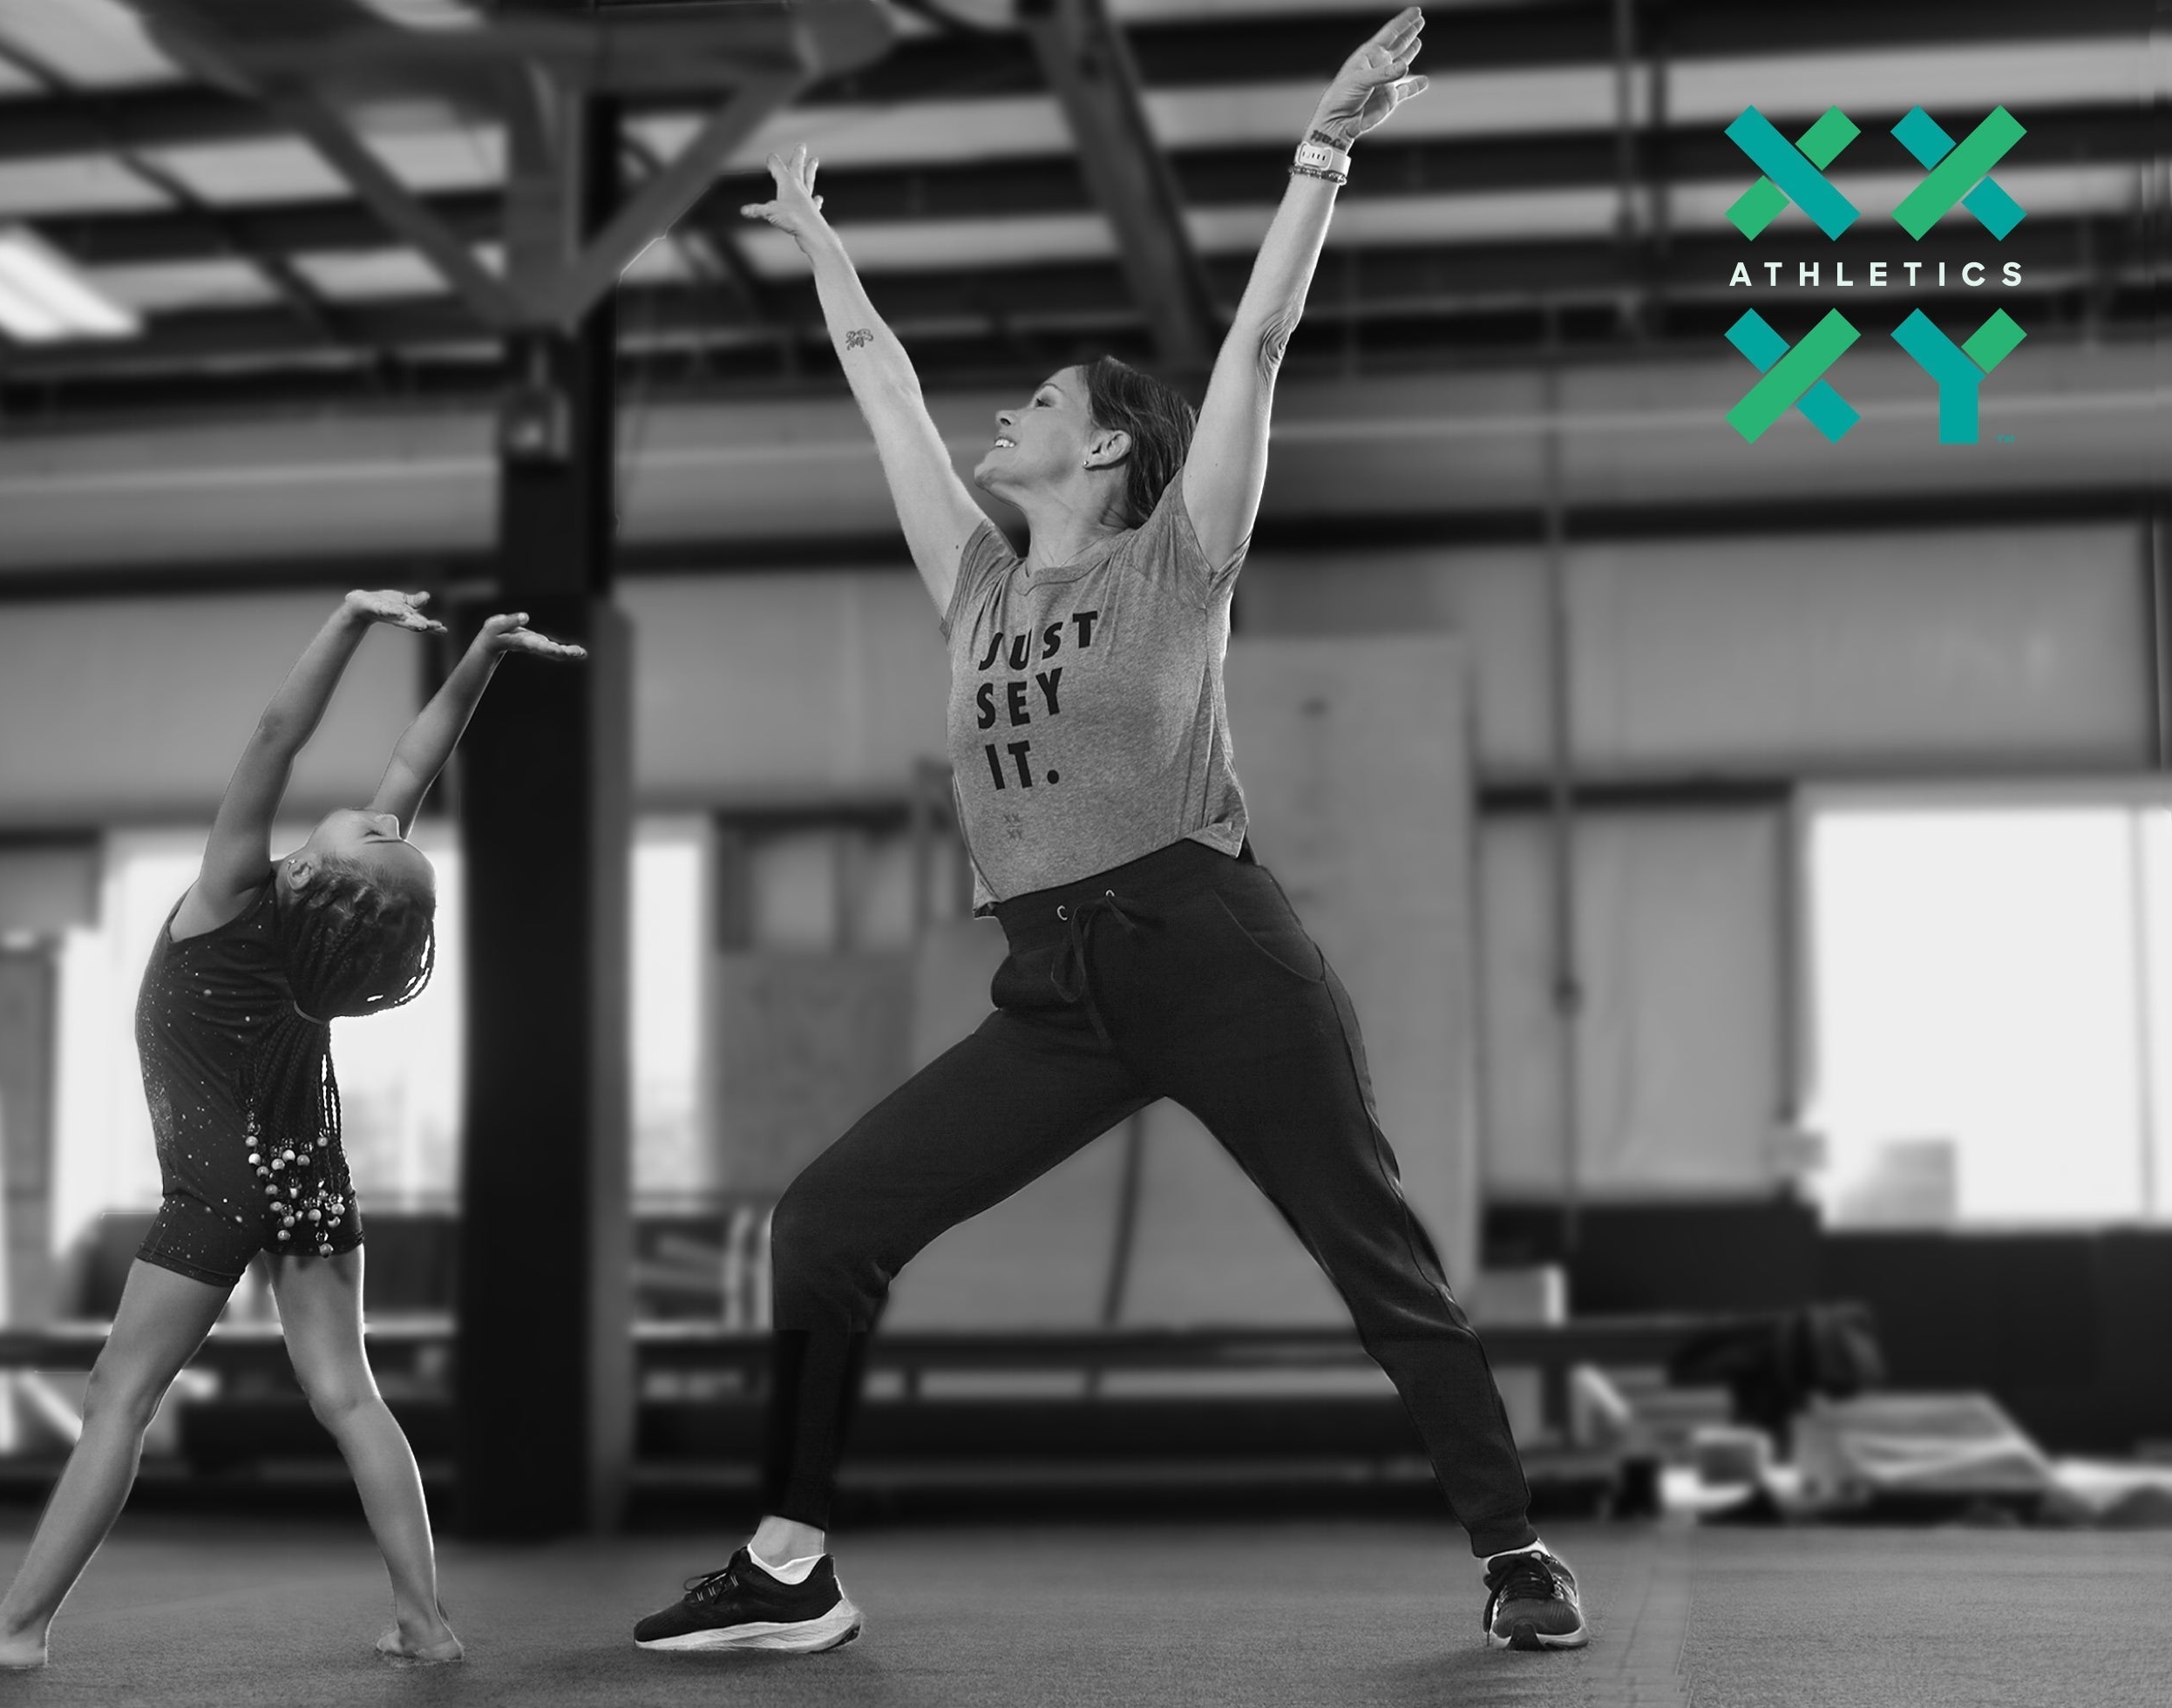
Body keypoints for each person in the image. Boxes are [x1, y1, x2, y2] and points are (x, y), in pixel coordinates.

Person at [634, 6, 1585, 1657]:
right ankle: (790, 1562)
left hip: (1212, 952)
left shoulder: (1178, 557)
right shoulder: (979, 587)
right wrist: (826, 254)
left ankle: (1512, 1551)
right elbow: (884, 390)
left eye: (1039, 402)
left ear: (1108, 446)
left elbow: (1260, 349)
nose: (1004, 418)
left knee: (1377, 1257)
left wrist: (1323, 149)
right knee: (829, 1224)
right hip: (1054, 990)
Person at [0, 593, 584, 1671]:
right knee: (349, 1394)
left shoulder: (230, 896)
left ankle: (16, 1628)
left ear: (318, 876)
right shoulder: (322, 949)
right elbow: (417, 763)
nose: (380, 811)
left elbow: (277, 734)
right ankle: (425, 1622)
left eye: (374, 834)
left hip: (221, 1184)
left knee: (118, 1395)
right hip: (306, 1166)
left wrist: (351, 622)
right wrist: (481, 659)